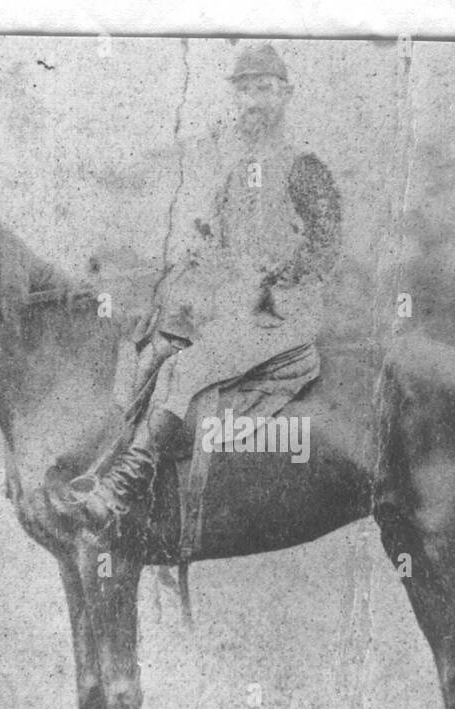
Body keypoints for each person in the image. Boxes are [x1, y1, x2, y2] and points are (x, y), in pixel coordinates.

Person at [67, 42, 342, 529]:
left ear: (287, 94)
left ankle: (127, 486)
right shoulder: (237, 173)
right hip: (233, 310)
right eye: (244, 92)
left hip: (283, 316)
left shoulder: (304, 166)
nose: (253, 102)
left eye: (265, 89)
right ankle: (106, 468)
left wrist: (277, 281)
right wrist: (194, 257)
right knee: (146, 353)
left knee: (185, 369)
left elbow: (326, 245)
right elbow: (220, 245)